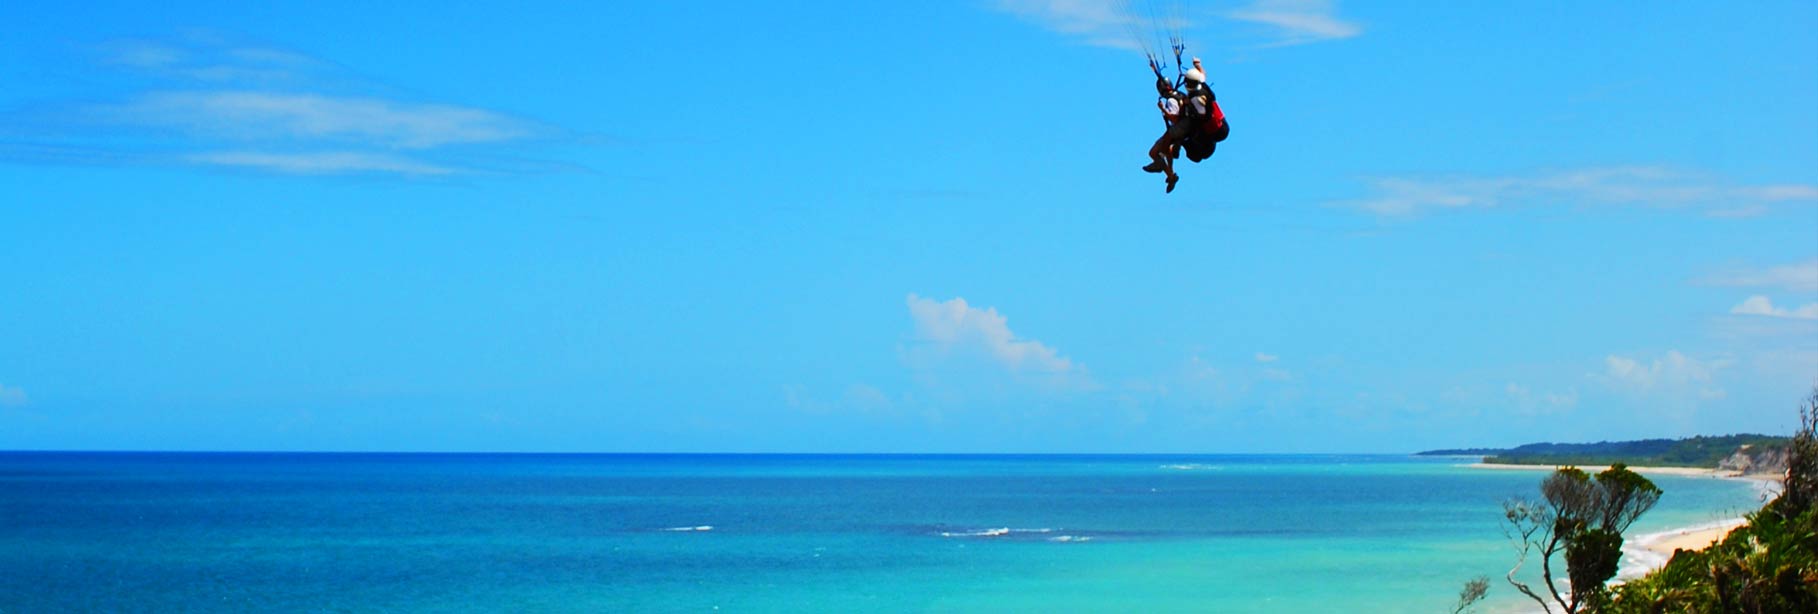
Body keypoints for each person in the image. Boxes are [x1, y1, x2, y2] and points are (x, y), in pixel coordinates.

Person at [1142, 73, 1187, 193]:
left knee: (1153, 153)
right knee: (1166, 150)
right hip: (1181, 132)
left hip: (1177, 131)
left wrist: (1162, 109)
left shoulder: (1171, 100)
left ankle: (1169, 174)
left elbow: (1175, 119)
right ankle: (1170, 174)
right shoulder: (1180, 95)